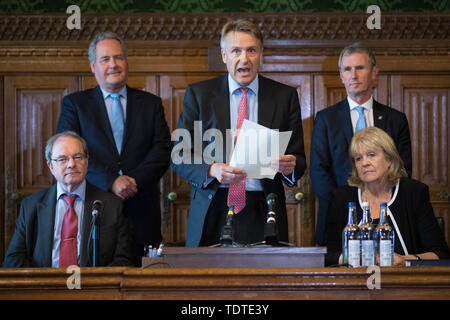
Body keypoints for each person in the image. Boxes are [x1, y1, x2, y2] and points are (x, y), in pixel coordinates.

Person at [171, 19, 306, 246]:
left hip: (264, 208)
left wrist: (290, 167)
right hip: (213, 205)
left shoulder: (284, 97)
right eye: (236, 51)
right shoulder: (199, 95)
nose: (244, 59)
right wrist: (212, 169)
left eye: (251, 50)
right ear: (224, 55)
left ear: (261, 54)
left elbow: (299, 159)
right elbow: (179, 155)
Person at [56, 32, 172, 266]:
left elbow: (162, 151)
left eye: (118, 57)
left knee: (145, 283)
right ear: (93, 66)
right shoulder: (76, 105)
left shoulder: (150, 104)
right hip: (94, 211)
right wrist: (112, 181)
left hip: (142, 211)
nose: (113, 64)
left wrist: (131, 181)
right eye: (105, 59)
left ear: (126, 62)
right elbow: (69, 153)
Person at [310, 42, 412, 245]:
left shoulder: (396, 120)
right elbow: (319, 171)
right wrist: (342, 206)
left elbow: (403, 169)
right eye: (347, 69)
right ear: (341, 76)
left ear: (374, 73)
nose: (353, 75)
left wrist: (381, 205)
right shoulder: (325, 119)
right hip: (338, 215)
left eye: (360, 68)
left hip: (386, 215)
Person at [3, 131, 133, 268]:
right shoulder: (31, 206)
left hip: (93, 287)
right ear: (51, 166)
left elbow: (123, 260)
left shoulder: (112, 205)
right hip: (45, 285)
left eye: (77, 157)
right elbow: (13, 260)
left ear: (87, 161)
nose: (71, 164)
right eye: (62, 159)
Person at [323, 127, 449, 266]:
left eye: (371, 155)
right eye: (358, 158)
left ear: (389, 159)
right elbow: (326, 255)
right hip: (354, 282)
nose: (364, 163)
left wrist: (404, 260)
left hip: (404, 281)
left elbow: (439, 254)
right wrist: (348, 259)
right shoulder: (342, 198)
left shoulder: (413, 193)